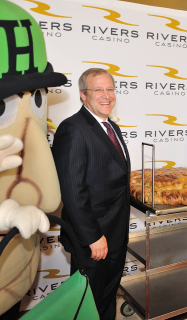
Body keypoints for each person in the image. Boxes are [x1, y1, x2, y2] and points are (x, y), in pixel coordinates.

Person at [52, 68, 131, 319]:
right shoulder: (73, 129)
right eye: (98, 90)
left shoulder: (112, 127)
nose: (106, 95)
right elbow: (72, 191)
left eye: (110, 89)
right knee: (89, 304)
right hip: (93, 240)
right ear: (83, 95)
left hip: (115, 234)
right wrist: (93, 237)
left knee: (107, 298)